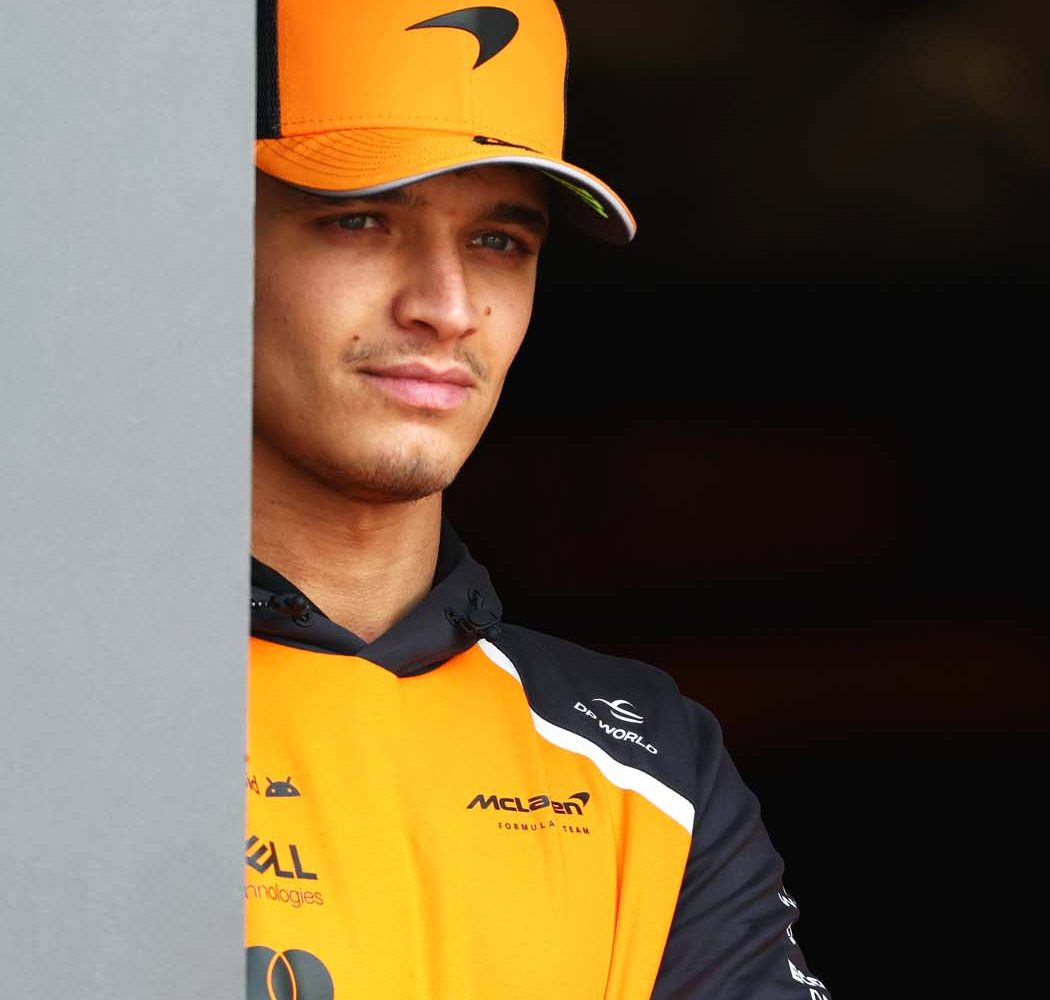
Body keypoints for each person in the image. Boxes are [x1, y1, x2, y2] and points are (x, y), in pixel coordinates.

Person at [246, 2, 830, 997]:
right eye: (360, 217)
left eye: (499, 242)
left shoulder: (653, 766)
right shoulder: (59, 701)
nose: (445, 303)